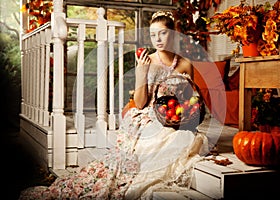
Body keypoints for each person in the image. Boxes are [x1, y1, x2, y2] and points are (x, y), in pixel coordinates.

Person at [19, 10, 208, 200]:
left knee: (185, 137)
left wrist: (187, 111)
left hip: (173, 116)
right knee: (161, 138)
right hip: (150, 114)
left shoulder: (185, 64)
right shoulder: (146, 60)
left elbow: (189, 100)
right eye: (152, 35)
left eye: (163, 33)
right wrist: (142, 73)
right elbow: (141, 103)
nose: (157, 39)